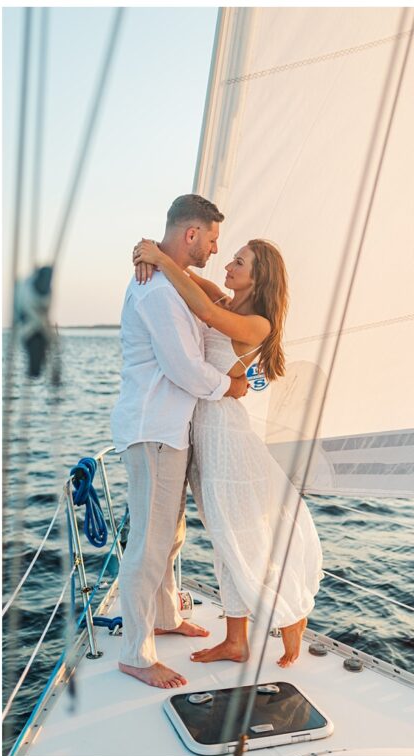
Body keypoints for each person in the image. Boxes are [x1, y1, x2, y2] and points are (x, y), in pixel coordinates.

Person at [132, 235, 323, 667]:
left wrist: (159, 257)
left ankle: (290, 613)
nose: (228, 265)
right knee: (224, 538)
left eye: (239, 261)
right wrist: (149, 252)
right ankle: (236, 640)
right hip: (203, 432)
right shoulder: (230, 300)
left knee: (239, 536)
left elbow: (204, 311)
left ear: (260, 277)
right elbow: (190, 279)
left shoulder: (258, 323)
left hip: (224, 437)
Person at [109, 194, 250, 690]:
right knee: (149, 544)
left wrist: (154, 252)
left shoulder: (170, 280)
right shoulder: (156, 292)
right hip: (154, 432)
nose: (215, 249)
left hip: (171, 430)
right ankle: (135, 652)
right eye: (212, 239)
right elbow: (183, 367)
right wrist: (229, 387)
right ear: (191, 234)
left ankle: (166, 617)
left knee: (169, 537)